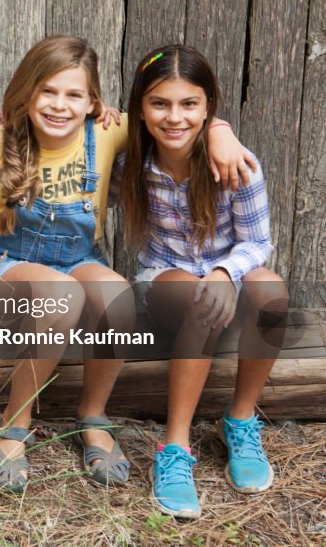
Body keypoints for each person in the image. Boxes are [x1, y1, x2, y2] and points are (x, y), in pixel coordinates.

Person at [0, 35, 253, 493]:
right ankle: (15, 422)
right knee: (61, 297)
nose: (60, 105)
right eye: (48, 91)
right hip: (5, 265)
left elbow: (171, 117)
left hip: (78, 258)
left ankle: (93, 414)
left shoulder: (107, 131)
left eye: (74, 94)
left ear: (93, 103)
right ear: (27, 92)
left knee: (116, 294)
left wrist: (219, 130)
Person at [118, 45, 287, 519]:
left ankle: (240, 419)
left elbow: (257, 243)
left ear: (208, 105)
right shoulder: (129, 160)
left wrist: (222, 272)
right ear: (140, 108)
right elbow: (79, 131)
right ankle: (174, 448)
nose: (174, 117)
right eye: (159, 103)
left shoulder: (236, 164)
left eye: (189, 104)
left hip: (227, 270)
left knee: (271, 290)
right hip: (165, 278)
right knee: (198, 300)